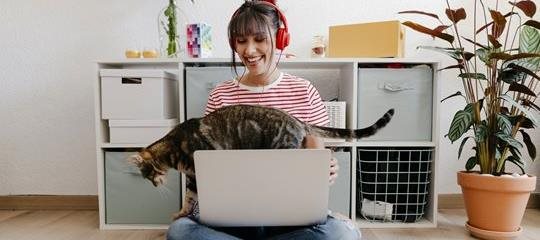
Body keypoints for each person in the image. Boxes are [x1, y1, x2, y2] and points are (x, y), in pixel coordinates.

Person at [167, 1, 361, 239]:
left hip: (291, 216)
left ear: (280, 39)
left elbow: (318, 160)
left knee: (341, 233)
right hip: (232, 215)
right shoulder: (220, 94)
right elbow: (208, 164)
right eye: (241, 41)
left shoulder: (304, 91)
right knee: (180, 232)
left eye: (259, 39)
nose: (249, 51)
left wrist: (327, 169)